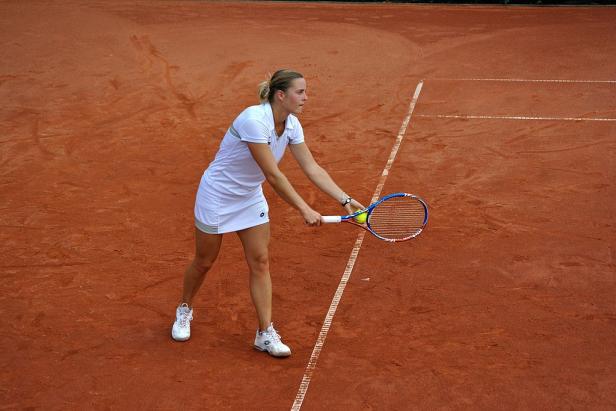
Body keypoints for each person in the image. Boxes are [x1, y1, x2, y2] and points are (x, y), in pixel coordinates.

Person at [171, 69, 364, 357]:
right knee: (204, 261)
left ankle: (265, 333)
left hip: (249, 198)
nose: (306, 98)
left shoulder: (292, 125)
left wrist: (344, 199)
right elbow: (273, 175)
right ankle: (185, 308)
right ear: (281, 95)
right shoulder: (253, 120)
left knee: (260, 261)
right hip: (218, 196)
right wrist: (304, 208)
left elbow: (311, 168)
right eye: (300, 92)